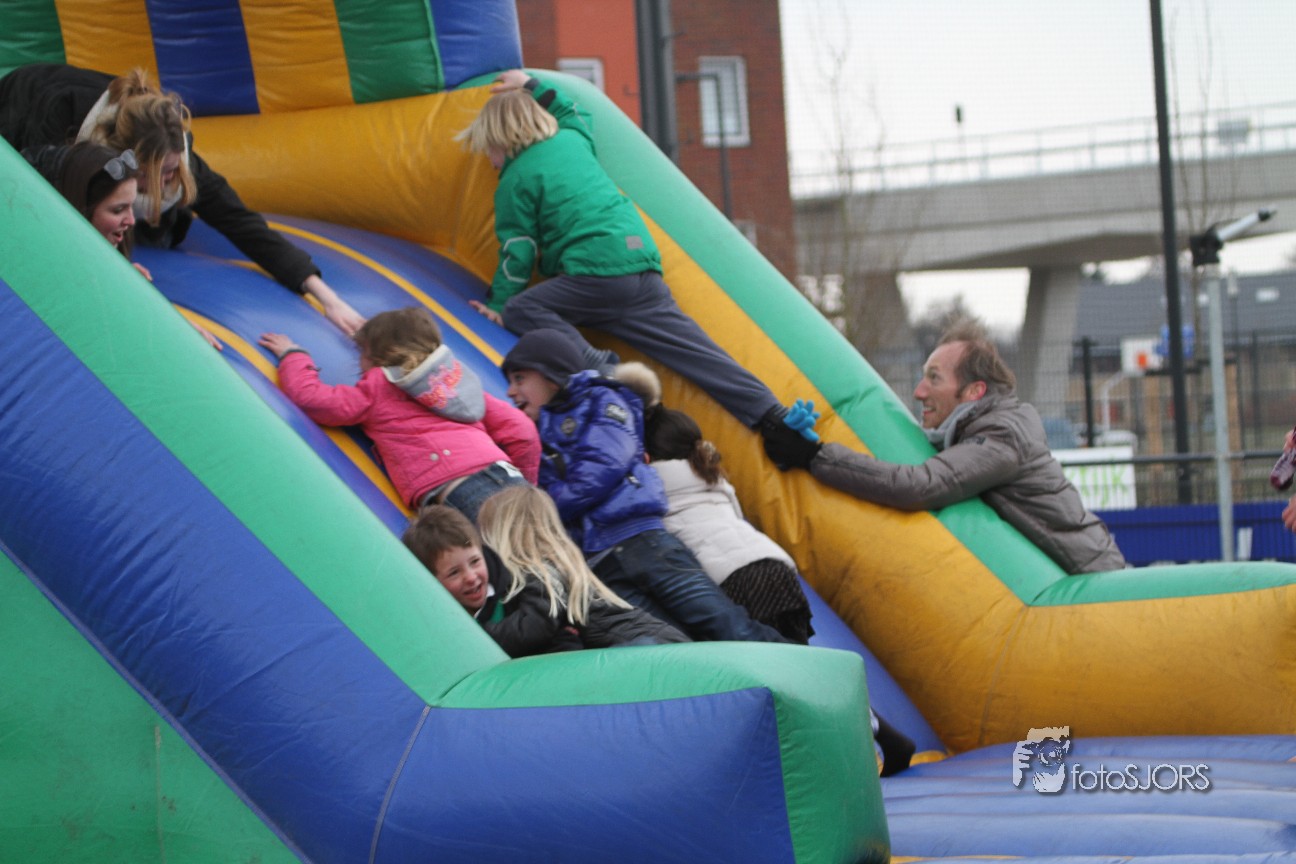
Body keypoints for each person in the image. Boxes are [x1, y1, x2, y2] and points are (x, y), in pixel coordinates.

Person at [456, 68, 811, 460]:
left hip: (593, 275)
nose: (490, 161)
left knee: (523, 308)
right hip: (640, 266)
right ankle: (773, 418)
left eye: (489, 149)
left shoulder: (515, 179)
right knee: (698, 353)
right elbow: (572, 110)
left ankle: (600, 367)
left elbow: (518, 250)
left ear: (503, 138)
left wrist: (499, 303)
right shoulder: (573, 138)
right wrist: (531, 84)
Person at [0, 63, 364, 335]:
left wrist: (327, 298)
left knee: (162, 224)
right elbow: (40, 208)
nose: (165, 182)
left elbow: (242, 223)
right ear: (125, 161)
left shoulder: (180, 159)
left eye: (171, 172)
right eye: (153, 175)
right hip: (19, 112)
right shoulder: (59, 127)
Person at [764, 319, 1126, 575]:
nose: (919, 391)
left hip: (1091, 579)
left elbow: (920, 485)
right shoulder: (980, 428)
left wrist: (813, 456)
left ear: (973, 392)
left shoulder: (1002, 436)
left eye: (934, 378)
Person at [500, 328, 790, 643]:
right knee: (668, 641)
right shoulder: (533, 435)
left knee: (722, 621)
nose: (511, 392)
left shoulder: (601, 398)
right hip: (599, 562)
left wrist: (547, 507)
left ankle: (787, 662)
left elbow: (605, 463)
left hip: (641, 539)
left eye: (520, 379)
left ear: (551, 374)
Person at [259, 307, 540, 523]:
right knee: (544, 561)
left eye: (361, 352)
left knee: (508, 565)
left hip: (459, 488)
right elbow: (523, 431)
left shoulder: (380, 385)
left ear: (378, 355)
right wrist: (527, 485)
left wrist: (293, 356)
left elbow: (315, 401)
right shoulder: (454, 381)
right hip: (509, 477)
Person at [618, 362, 815, 643]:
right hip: (776, 567)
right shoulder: (713, 476)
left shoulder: (652, 491)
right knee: (798, 656)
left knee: (762, 662)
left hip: (734, 580)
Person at [404, 500, 687, 657]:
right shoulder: (522, 583)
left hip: (649, 646)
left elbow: (538, 625)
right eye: (454, 572)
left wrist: (476, 639)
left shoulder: (534, 571)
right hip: (646, 643)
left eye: (476, 560)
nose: (470, 576)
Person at [24, 140, 222, 350]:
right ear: (81, 209)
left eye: (131, 207)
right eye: (118, 210)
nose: (131, 221)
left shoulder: (94, 251)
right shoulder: (39, 261)